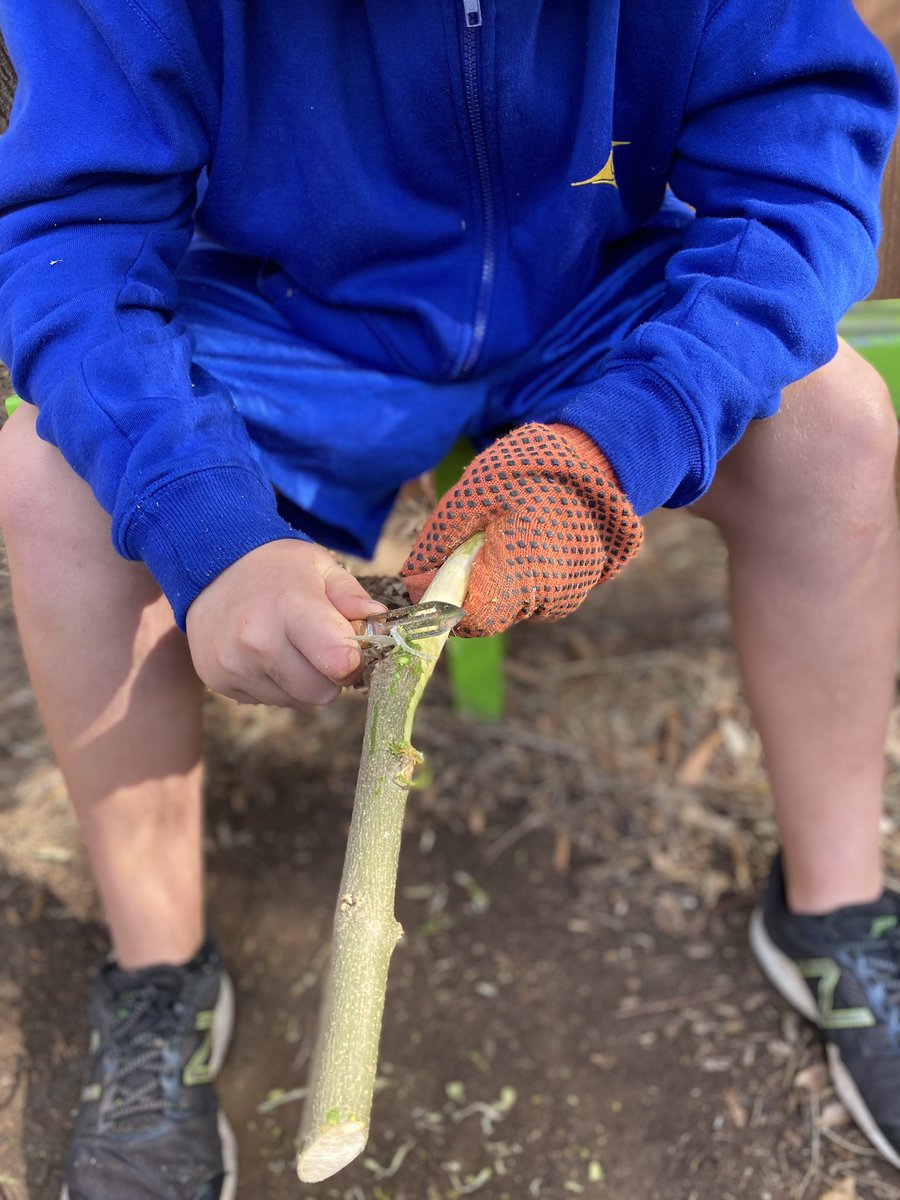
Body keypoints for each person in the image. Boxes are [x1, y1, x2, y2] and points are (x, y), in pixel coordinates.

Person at [0, 1, 898, 1195]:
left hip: (588, 304)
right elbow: (77, 241)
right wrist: (207, 530)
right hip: (291, 319)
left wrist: (620, 442)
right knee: (47, 483)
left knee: (835, 433)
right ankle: (160, 978)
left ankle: (839, 913)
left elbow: (799, 188)